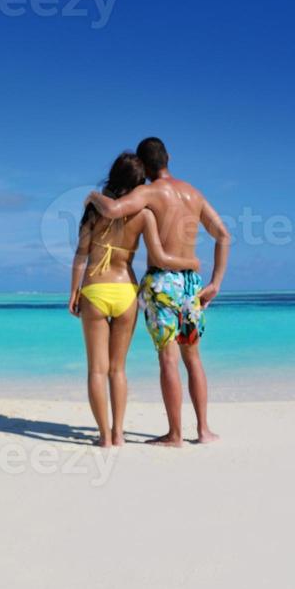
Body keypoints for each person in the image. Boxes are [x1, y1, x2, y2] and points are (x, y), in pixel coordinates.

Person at [85, 138, 230, 446]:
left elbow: (111, 210)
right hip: (192, 283)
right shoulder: (194, 193)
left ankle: (175, 434)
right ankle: (203, 430)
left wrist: (92, 196)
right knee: (193, 357)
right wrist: (215, 282)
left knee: (168, 358)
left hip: (162, 283)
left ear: (143, 166)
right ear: (168, 158)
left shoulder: (148, 192)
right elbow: (223, 235)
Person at [70, 152, 200, 448]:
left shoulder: (93, 210)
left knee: (96, 370)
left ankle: (104, 437)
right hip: (126, 291)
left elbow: (80, 255)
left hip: (95, 290)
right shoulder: (144, 215)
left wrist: (73, 291)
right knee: (118, 369)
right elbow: (160, 257)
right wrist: (190, 262)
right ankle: (119, 433)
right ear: (139, 183)